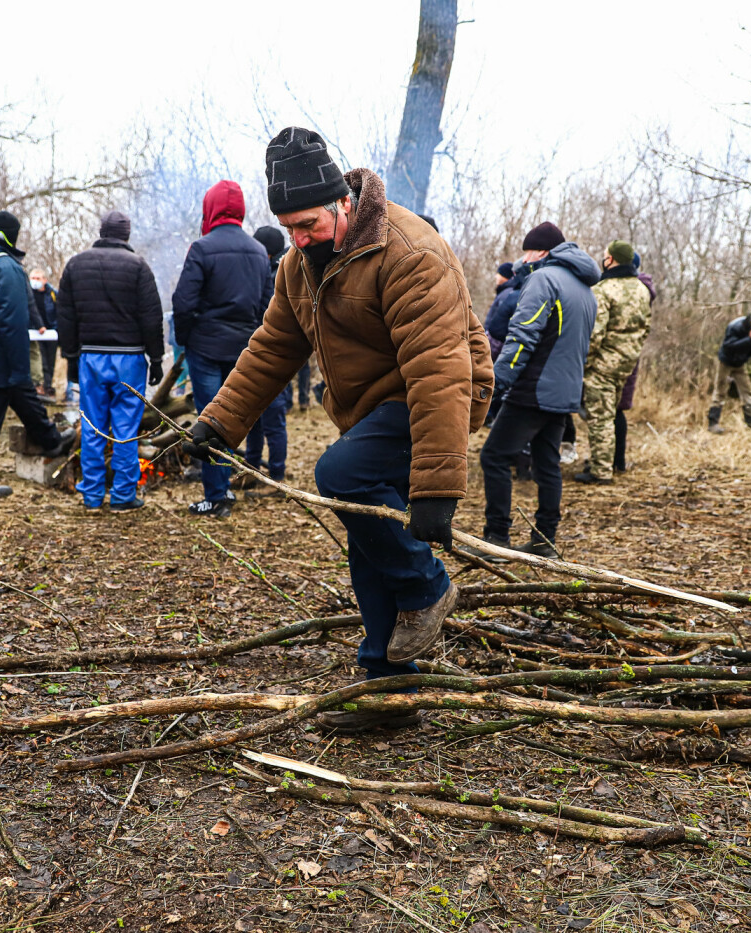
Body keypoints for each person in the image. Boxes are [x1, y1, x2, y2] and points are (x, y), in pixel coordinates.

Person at [185, 127, 493, 733]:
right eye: (289, 228)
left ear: (342, 204)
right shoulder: (298, 266)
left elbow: (439, 371)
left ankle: (428, 588)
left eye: (309, 226)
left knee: (340, 473)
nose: (299, 240)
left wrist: (436, 488)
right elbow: (272, 347)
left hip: (445, 392)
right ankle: (386, 691)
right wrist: (218, 424)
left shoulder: (408, 251)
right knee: (369, 535)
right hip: (378, 406)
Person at [466, 229, 599, 561]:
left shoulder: (545, 281)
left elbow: (522, 337)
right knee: (547, 464)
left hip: (534, 390)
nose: (522, 260)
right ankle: (544, 540)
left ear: (540, 253)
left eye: (526, 253)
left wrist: (495, 385)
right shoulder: (585, 289)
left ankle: (496, 539)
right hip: (565, 393)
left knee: (493, 457)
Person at [0, 211, 75, 498]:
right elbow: (13, 321)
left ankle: (50, 440)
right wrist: (20, 365)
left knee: (22, 398)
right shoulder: (5, 266)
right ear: (12, 235)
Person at [171, 179, 274, 518]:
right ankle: (223, 488)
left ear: (210, 208)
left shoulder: (202, 248)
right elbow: (265, 306)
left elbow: (183, 303)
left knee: (211, 418)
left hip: (206, 347)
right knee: (231, 417)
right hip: (243, 349)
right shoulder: (259, 252)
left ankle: (217, 495)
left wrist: (185, 339)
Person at [56, 209, 165, 512]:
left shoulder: (76, 264)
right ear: (126, 235)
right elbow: (151, 316)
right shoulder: (138, 266)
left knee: (92, 426)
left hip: (91, 356)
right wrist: (156, 359)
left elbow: (65, 316)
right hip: (129, 359)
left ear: (101, 232)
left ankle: (91, 495)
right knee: (126, 429)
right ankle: (122, 495)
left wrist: (71, 356)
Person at [575, 240, 652, 485]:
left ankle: (601, 471)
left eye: (606, 255)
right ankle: (606, 461)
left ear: (612, 260)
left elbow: (595, 334)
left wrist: (584, 364)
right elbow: (645, 327)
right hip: (626, 362)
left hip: (602, 364)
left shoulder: (604, 289)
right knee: (611, 414)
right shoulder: (641, 289)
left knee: (600, 417)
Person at [254, 224, 308, 411]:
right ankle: (303, 399)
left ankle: (287, 402)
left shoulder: (275, 271)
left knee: (283, 363)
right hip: (303, 324)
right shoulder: (293, 259)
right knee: (303, 364)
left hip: (287, 326)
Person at [612, 252, 657, 474]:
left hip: (615, 357)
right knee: (616, 410)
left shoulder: (632, 291)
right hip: (631, 356)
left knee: (612, 410)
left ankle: (614, 461)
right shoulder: (643, 292)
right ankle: (617, 461)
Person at [707, 311, 751, 434]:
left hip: (740, 364)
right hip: (726, 362)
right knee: (720, 391)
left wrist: (746, 353)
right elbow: (728, 346)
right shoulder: (735, 326)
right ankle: (713, 424)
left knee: (747, 391)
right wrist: (749, 339)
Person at [28, 269, 60, 396]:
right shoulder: (28, 293)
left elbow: (58, 311)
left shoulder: (52, 293)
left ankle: (48, 386)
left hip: (51, 333)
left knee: (50, 361)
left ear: (44, 280)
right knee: (41, 361)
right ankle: (39, 386)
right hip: (35, 332)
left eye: (38, 278)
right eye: (33, 278)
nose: (35, 281)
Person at [484, 260, 519, 360]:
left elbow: (498, 322)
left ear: (505, 276)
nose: (496, 276)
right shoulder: (505, 291)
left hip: (494, 344)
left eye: (498, 274)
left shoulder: (507, 294)